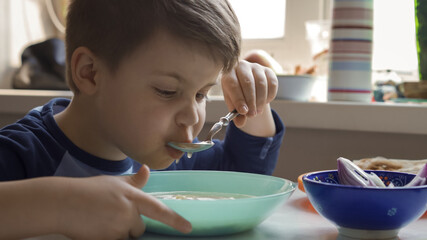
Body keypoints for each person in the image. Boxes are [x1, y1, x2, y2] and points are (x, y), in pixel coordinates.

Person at [0, 0, 284, 239]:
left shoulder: (166, 155)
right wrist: (63, 204)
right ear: (89, 73)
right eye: (167, 91)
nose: (191, 117)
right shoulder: (23, 153)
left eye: (201, 94)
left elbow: (246, 174)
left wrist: (255, 101)